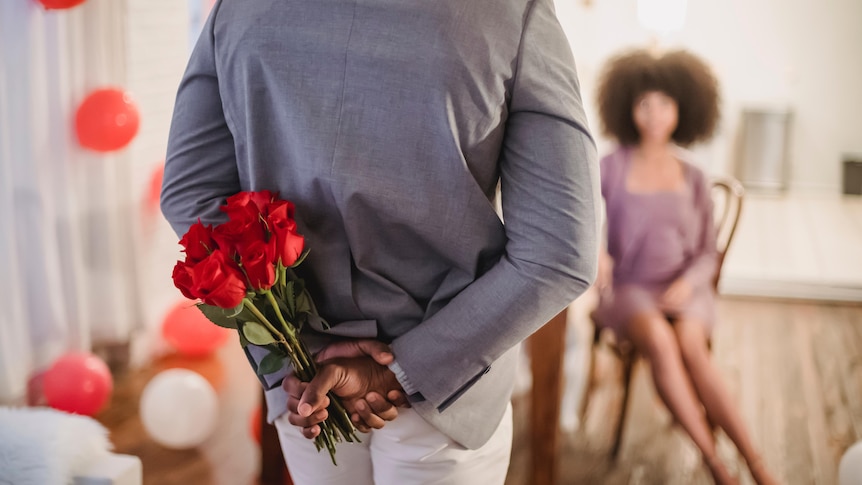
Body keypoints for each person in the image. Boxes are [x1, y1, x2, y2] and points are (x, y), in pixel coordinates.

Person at [160, 0, 599, 483]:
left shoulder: (237, 9)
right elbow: (560, 249)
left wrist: (290, 345)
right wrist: (404, 370)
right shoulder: (511, 12)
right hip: (445, 387)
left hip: (305, 381)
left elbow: (190, 194)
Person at [593, 49, 779, 485]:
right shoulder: (611, 167)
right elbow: (583, 219)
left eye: (664, 104)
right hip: (631, 288)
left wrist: (689, 283)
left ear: (683, 109)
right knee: (660, 339)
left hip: (685, 287)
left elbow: (706, 254)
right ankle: (716, 464)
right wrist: (596, 251)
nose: (654, 115)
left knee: (692, 346)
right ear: (627, 108)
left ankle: (756, 463)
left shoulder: (694, 175)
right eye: (644, 104)